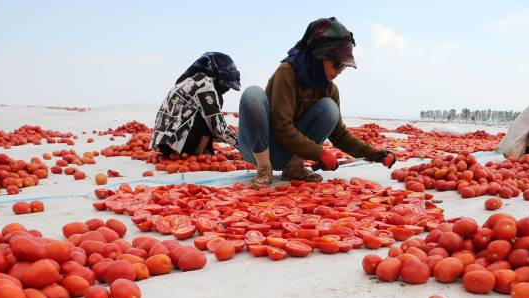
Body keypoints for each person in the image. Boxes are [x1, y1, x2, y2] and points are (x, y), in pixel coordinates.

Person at [237, 17, 396, 187]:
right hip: (260, 148)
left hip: (288, 153)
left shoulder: (329, 89)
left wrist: (373, 154)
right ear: (319, 56)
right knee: (252, 95)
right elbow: (281, 126)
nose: (340, 71)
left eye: (344, 67)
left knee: (329, 108)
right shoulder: (287, 73)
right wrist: (319, 153)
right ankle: (264, 168)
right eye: (337, 64)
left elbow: (339, 135)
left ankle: (294, 167)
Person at [151, 52, 241, 158]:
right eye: (226, 84)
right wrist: (240, 143)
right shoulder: (205, 85)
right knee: (212, 108)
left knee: (210, 108)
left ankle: (178, 153)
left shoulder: (192, 80)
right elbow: (217, 125)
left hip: (164, 144)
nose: (227, 89)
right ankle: (199, 152)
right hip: (178, 144)